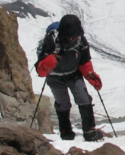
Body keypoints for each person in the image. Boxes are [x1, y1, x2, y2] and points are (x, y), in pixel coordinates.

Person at [36, 14, 104, 142]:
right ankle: (66, 132)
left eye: (75, 36)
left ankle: (89, 131)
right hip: (56, 77)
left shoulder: (81, 41)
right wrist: (48, 63)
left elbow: (84, 61)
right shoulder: (51, 41)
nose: (73, 38)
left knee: (83, 99)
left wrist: (90, 76)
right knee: (63, 103)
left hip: (72, 74)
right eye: (70, 36)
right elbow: (40, 69)